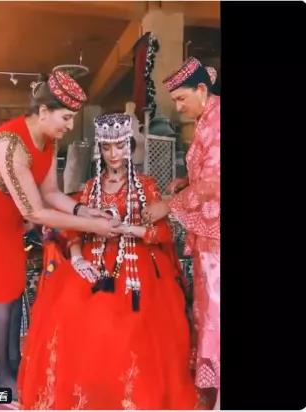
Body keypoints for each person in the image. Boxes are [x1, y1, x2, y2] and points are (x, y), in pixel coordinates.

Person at [17, 113, 197, 410]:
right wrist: (77, 259)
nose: (113, 154)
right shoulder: (91, 187)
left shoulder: (146, 185)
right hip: (93, 259)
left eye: (120, 146)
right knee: (67, 312)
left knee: (130, 325)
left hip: (137, 262)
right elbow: (74, 230)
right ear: (100, 149)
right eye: (107, 147)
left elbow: (163, 232)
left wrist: (130, 229)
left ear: (130, 147)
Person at [0, 71, 116, 398]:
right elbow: (35, 212)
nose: (70, 125)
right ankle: (2, 376)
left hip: (9, 221)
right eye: (66, 117)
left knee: (14, 290)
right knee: (0, 295)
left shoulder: (49, 139)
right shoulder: (9, 143)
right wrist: (95, 227)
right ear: (43, 111)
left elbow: (51, 193)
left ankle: (13, 363)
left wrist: (84, 211)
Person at [142, 57, 220, 408]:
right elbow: (206, 173)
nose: (177, 107)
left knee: (215, 313)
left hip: (216, 236)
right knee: (206, 310)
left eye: (180, 99)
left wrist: (168, 205)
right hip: (208, 234)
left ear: (202, 89)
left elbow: (215, 182)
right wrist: (186, 181)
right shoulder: (207, 117)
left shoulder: (218, 121)